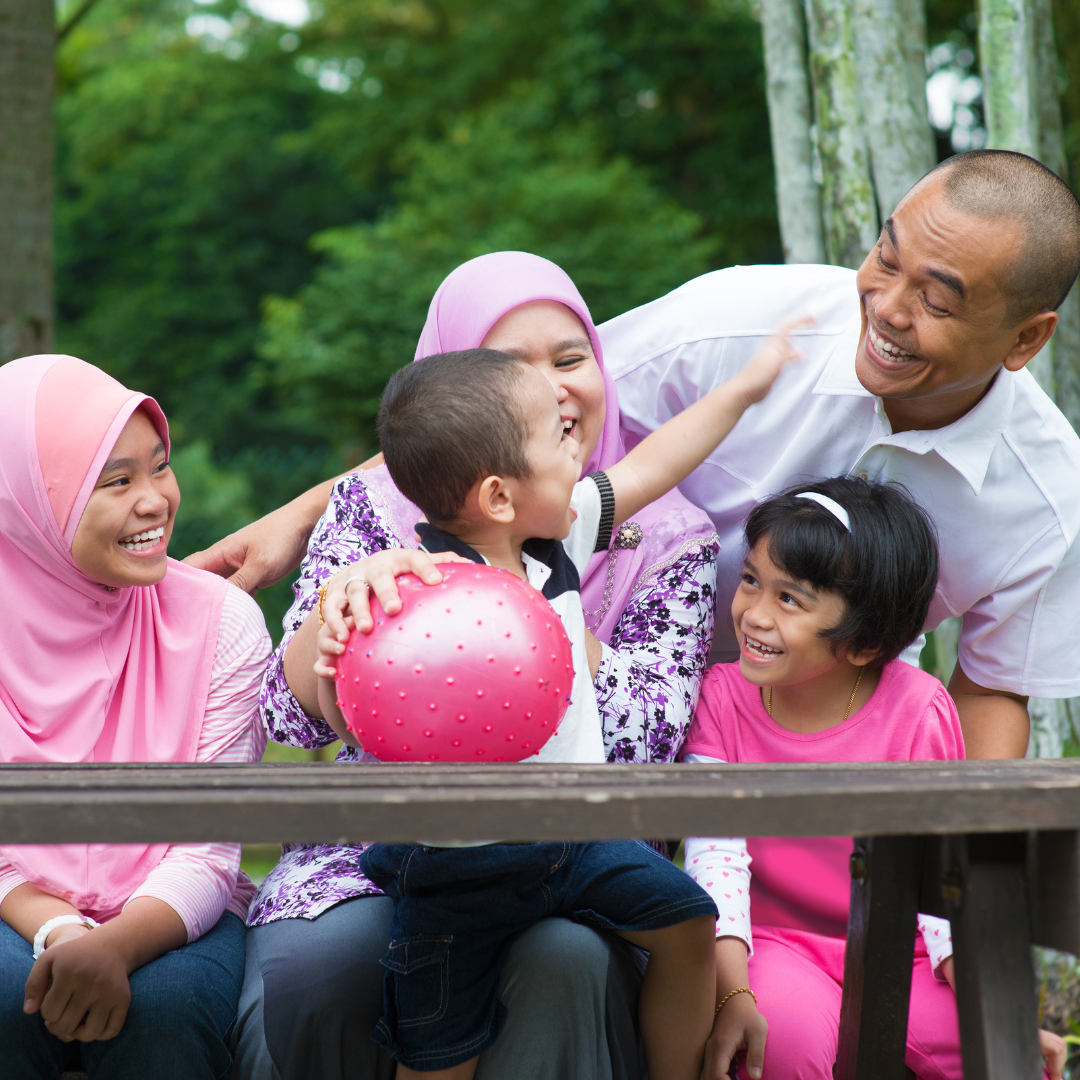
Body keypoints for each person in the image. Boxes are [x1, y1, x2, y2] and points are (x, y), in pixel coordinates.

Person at [193, 150, 1080, 763]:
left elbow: (992, 691)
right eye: (886, 257)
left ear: (1025, 337)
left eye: (937, 299)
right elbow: (502, 426)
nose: (886, 306)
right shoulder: (735, 329)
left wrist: (968, 909)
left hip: (812, 749)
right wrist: (303, 514)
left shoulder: (1046, 500)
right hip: (609, 728)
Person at [230, 253, 722, 1080]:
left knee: (567, 959)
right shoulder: (374, 507)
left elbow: (648, 744)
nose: (555, 389)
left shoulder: (669, 535)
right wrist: (344, 614)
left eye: (571, 359)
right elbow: (284, 716)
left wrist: (532, 620)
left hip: (577, 848)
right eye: (509, 368)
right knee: (321, 966)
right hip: (371, 848)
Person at [311, 328, 798, 1079]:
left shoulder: (550, 542)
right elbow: (349, 704)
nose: (582, 454)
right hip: (454, 870)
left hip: (575, 840)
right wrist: (342, 616)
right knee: (439, 1050)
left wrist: (746, 386)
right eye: (559, 439)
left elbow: (653, 465)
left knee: (687, 923)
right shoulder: (415, 592)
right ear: (501, 494)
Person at [679, 478, 1066, 1080]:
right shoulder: (721, 698)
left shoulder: (918, 709)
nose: (752, 614)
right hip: (774, 943)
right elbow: (715, 863)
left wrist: (997, 1007)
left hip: (902, 948)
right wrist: (733, 994)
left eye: (790, 600)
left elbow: (941, 878)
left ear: (862, 642)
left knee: (1005, 1054)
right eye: (752, 579)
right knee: (780, 1042)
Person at [0, 355, 271, 1079]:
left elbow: (208, 852)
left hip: (175, 909)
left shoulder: (223, 623)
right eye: (116, 482)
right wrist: (58, 927)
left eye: (160, 467)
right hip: (13, 904)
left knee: (166, 1011)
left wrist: (114, 945)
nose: (155, 501)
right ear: (31, 503)